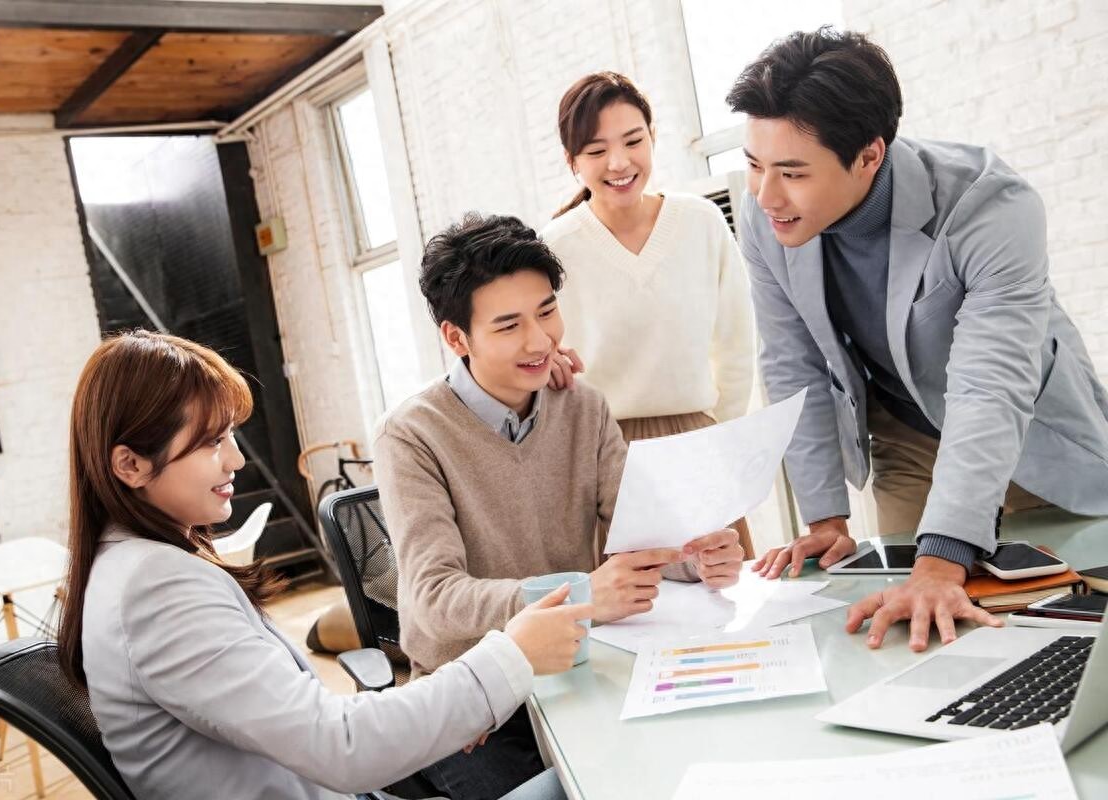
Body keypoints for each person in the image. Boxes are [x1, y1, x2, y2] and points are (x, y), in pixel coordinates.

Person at [57, 329, 591, 800]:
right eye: (212, 442)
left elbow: (310, 729)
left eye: (230, 435)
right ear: (130, 464)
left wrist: (454, 701)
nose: (236, 459)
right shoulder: (155, 589)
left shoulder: (130, 567)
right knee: (585, 783)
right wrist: (514, 656)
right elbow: (340, 745)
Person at [727, 28, 1108, 651]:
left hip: (1021, 438)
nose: (765, 195)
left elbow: (990, 385)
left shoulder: (990, 205)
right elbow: (793, 361)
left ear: (868, 156)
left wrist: (944, 557)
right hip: (901, 433)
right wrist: (825, 516)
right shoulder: (765, 216)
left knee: (1047, 632)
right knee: (915, 627)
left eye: (792, 172)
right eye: (753, 165)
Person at [375, 213, 745, 800]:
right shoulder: (411, 435)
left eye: (546, 311)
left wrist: (695, 555)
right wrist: (581, 594)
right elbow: (433, 599)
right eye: (509, 325)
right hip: (475, 697)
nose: (539, 341)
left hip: (578, 670)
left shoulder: (582, 407)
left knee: (696, 762)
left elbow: (638, 532)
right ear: (457, 338)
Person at [541, 71, 756, 557]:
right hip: (606, 453)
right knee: (634, 598)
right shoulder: (555, 246)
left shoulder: (701, 221)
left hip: (698, 445)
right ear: (572, 161)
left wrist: (715, 435)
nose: (618, 162)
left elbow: (737, 343)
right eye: (596, 150)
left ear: (653, 137)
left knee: (720, 591)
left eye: (633, 141)